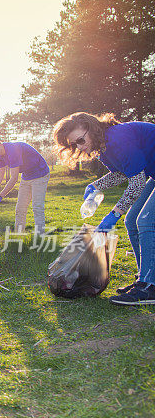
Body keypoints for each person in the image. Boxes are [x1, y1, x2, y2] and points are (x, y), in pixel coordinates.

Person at [53, 112, 155, 305]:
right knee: (131, 221)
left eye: (81, 140)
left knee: (146, 221)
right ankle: (144, 279)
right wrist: (95, 186)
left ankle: (150, 286)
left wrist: (114, 213)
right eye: (74, 144)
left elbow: (137, 181)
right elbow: (121, 173)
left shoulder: (117, 138)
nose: (80, 147)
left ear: (91, 128)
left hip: (148, 176)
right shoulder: (103, 148)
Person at [0, 137, 50, 234]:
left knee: (37, 207)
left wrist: (0, 196)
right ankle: (19, 235)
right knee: (20, 208)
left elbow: (14, 178)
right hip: (26, 176)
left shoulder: (12, 150)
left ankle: (40, 237)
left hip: (40, 174)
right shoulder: (0, 156)